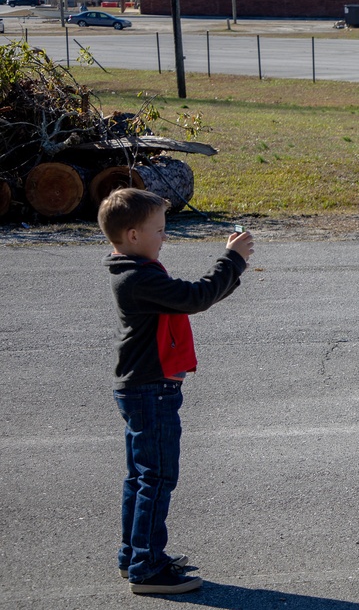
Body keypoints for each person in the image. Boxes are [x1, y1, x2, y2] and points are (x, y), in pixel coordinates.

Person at [98, 188, 254, 594]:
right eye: (159, 230)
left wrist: (231, 269)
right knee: (157, 476)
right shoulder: (138, 277)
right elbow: (194, 297)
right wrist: (232, 260)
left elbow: (192, 300)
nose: (163, 237)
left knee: (141, 476)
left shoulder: (131, 268)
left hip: (143, 387)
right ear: (132, 235)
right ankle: (147, 569)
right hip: (150, 389)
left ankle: (135, 553)